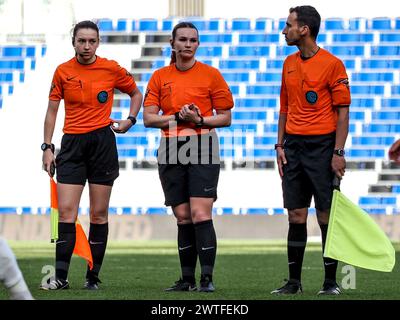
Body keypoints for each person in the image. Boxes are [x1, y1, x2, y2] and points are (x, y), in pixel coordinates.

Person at [40, 20, 142, 290]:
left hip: (102, 144)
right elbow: (52, 111)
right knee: (66, 212)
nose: (86, 46)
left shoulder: (111, 68)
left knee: (98, 214)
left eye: (91, 41)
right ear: (73, 42)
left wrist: (130, 120)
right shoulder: (62, 72)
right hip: (72, 144)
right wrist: (47, 147)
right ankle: (60, 278)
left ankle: (92, 277)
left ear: (98, 43)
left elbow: (135, 93)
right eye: (81, 41)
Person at [143, 22, 233, 292]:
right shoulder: (160, 76)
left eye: (193, 40)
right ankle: (186, 279)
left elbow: (226, 117)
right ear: (173, 43)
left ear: (198, 44)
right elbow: (148, 118)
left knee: (200, 212)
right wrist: (177, 116)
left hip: (202, 143)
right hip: (170, 146)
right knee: (183, 216)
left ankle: (206, 278)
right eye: (182, 39)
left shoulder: (211, 75)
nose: (188, 44)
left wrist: (200, 119)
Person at [272, 6, 351, 295]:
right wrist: (279, 145)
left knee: (326, 216)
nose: (284, 30)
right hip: (293, 145)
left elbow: (343, 113)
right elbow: (284, 107)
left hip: (323, 146)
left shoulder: (333, 64)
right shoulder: (288, 63)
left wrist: (338, 152)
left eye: (288, 25)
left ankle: (330, 283)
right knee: (296, 214)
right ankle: (294, 282)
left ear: (303, 29)